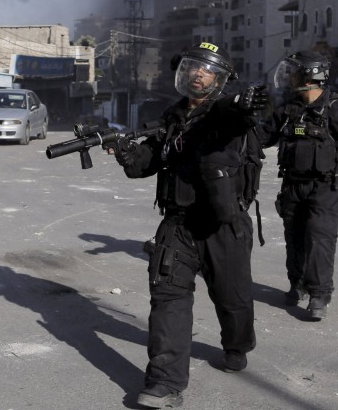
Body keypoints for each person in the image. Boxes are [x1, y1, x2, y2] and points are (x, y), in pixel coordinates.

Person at [108, 42, 268, 409]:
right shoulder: (171, 116)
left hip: (222, 224)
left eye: (207, 70)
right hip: (177, 223)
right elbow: (143, 165)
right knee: (167, 301)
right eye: (193, 67)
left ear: (220, 79)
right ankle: (164, 382)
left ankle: (237, 345)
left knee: (234, 299)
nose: (198, 74)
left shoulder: (225, 113)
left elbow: (236, 115)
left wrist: (243, 102)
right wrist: (126, 151)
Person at [261, 50, 338, 321]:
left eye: (295, 72)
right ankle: (297, 284)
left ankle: (319, 294)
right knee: (294, 236)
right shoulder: (289, 109)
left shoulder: (335, 108)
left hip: (325, 187)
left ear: (311, 75)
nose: (289, 77)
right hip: (292, 185)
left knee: (319, 239)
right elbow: (262, 137)